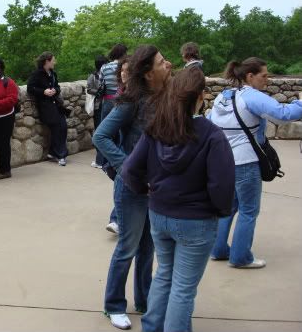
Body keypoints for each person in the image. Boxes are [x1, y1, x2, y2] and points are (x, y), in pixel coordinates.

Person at [121, 67, 235, 332]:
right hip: (196, 221)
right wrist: (219, 211)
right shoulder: (211, 135)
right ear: (199, 96)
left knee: (164, 276)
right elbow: (222, 184)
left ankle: (152, 327)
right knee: (183, 289)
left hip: (160, 216)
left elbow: (129, 170)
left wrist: (146, 191)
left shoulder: (156, 129)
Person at [93, 45, 172, 330]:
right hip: (131, 188)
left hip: (156, 187)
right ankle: (114, 305)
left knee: (148, 247)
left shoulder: (163, 96)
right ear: (149, 73)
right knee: (127, 247)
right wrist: (129, 167)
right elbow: (101, 136)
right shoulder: (132, 101)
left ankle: (145, 299)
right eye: (163, 62)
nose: (169, 64)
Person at [209, 57, 302, 268]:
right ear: (250, 76)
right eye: (264, 75)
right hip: (246, 162)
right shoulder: (251, 96)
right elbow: (283, 114)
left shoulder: (223, 96)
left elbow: (210, 121)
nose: (267, 80)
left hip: (224, 161)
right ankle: (240, 257)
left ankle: (218, 249)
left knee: (228, 207)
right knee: (249, 210)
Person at [27, 52, 68, 166]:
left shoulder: (53, 73)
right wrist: (43, 92)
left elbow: (58, 87)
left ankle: (53, 152)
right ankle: (60, 155)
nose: (55, 62)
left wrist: (55, 90)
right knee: (57, 126)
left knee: (62, 126)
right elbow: (30, 88)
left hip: (56, 105)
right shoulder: (37, 74)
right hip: (45, 106)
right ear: (47, 61)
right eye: (53, 60)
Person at [105, 55, 131, 235]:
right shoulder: (125, 96)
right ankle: (116, 219)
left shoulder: (130, 95)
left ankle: (116, 219)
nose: (123, 74)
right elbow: (101, 135)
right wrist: (120, 161)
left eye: (127, 71)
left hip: (129, 149)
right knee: (122, 184)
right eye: (121, 70)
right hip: (125, 150)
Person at [86, 55, 109, 169]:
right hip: (98, 106)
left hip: (108, 105)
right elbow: (89, 89)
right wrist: (100, 92)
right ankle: (100, 158)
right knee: (100, 130)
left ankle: (102, 159)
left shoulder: (107, 75)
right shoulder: (93, 76)